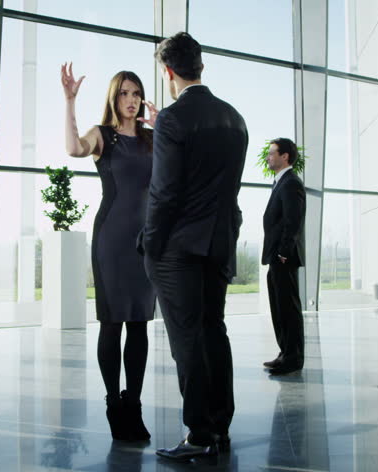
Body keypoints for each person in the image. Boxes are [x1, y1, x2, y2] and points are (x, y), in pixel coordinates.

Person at [142, 32, 248, 460]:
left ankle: (198, 434)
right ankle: (219, 426)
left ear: (169, 72)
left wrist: (150, 244)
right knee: (213, 332)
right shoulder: (235, 117)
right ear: (200, 65)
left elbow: (164, 193)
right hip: (220, 241)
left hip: (179, 248)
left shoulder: (172, 119)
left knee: (186, 338)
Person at [60, 65, 157, 441]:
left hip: (145, 241)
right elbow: (72, 149)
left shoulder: (151, 138)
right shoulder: (102, 136)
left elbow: (176, 172)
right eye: (124, 94)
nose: (131, 101)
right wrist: (69, 102)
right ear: (113, 97)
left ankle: (134, 403)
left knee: (139, 324)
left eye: (136, 94)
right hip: (112, 240)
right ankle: (114, 403)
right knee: (112, 322)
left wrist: (163, 127)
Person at [261, 138, 306, 375]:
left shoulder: (291, 183)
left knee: (288, 309)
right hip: (276, 257)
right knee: (279, 308)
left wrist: (283, 254)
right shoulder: (281, 182)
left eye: (272, 153)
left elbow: (293, 222)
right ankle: (285, 353)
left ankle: (293, 358)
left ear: (285, 156)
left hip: (283, 258)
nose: (268, 157)